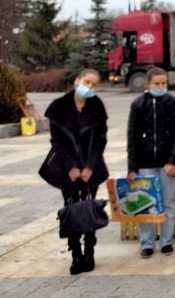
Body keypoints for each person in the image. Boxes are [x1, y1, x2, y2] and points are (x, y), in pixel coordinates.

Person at [41, 69, 109, 275]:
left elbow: (101, 139)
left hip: (91, 166)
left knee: (89, 206)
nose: (89, 87)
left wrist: (89, 166)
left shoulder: (96, 106)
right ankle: (75, 253)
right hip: (66, 168)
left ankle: (89, 250)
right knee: (70, 206)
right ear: (77, 81)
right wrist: (71, 166)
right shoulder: (58, 108)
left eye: (93, 84)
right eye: (86, 82)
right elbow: (57, 142)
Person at [126, 66, 175, 258]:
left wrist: (172, 161)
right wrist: (132, 167)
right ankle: (147, 243)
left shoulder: (171, 102)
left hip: (166, 163)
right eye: (156, 84)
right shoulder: (138, 104)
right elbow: (132, 137)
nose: (160, 86)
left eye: (163, 83)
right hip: (145, 162)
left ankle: (167, 242)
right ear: (148, 84)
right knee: (146, 203)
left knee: (168, 203)